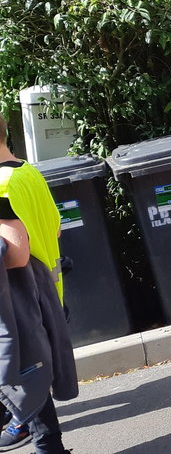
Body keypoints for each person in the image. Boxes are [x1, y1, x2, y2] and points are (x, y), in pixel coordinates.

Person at [0, 117, 75, 454]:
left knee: (27, 369)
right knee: (33, 368)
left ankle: (41, 441)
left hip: (21, 293)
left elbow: (16, 254)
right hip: (48, 287)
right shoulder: (27, 172)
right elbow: (55, 227)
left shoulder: (0, 185)